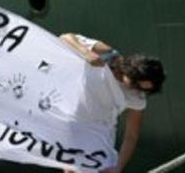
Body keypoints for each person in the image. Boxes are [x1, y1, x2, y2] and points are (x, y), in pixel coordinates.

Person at [59, 33, 165, 173]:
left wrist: (118, 167)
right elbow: (65, 37)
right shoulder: (107, 55)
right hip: (72, 123)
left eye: (143, 89)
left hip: (101, 135)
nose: (137, 90)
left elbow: (131, 136)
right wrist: (86, 53)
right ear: (132, 71)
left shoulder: (137, 98)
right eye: (136, 84)